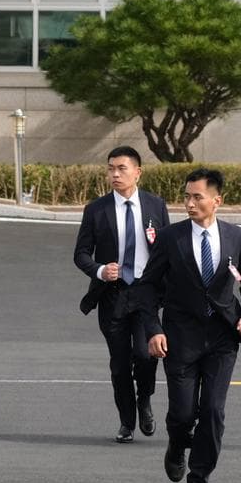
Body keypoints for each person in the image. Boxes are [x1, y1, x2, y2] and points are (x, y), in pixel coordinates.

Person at [137, 168, 241, 483]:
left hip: (222, 338)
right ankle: (177, 443)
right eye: (186, 197)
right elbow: (147, 287)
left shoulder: (237, 237)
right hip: (180, 339)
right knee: (181, 414)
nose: (189, 203)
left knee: (213, 412)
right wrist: (153, 329)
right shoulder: (169, 238)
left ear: (216, 200)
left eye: (197, 197)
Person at [72, 145, 171, 443]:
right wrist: (101, 270)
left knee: (144, 354)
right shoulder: (96, 209)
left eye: (122, 168)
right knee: (119, 363)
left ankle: (145, 400)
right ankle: (127, 421)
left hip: (146, 293)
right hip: (112, 295)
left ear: (137, 172)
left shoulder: (156, 206)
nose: (115, 174)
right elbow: (80, 254)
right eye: (111, 168)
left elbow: (166, 250)